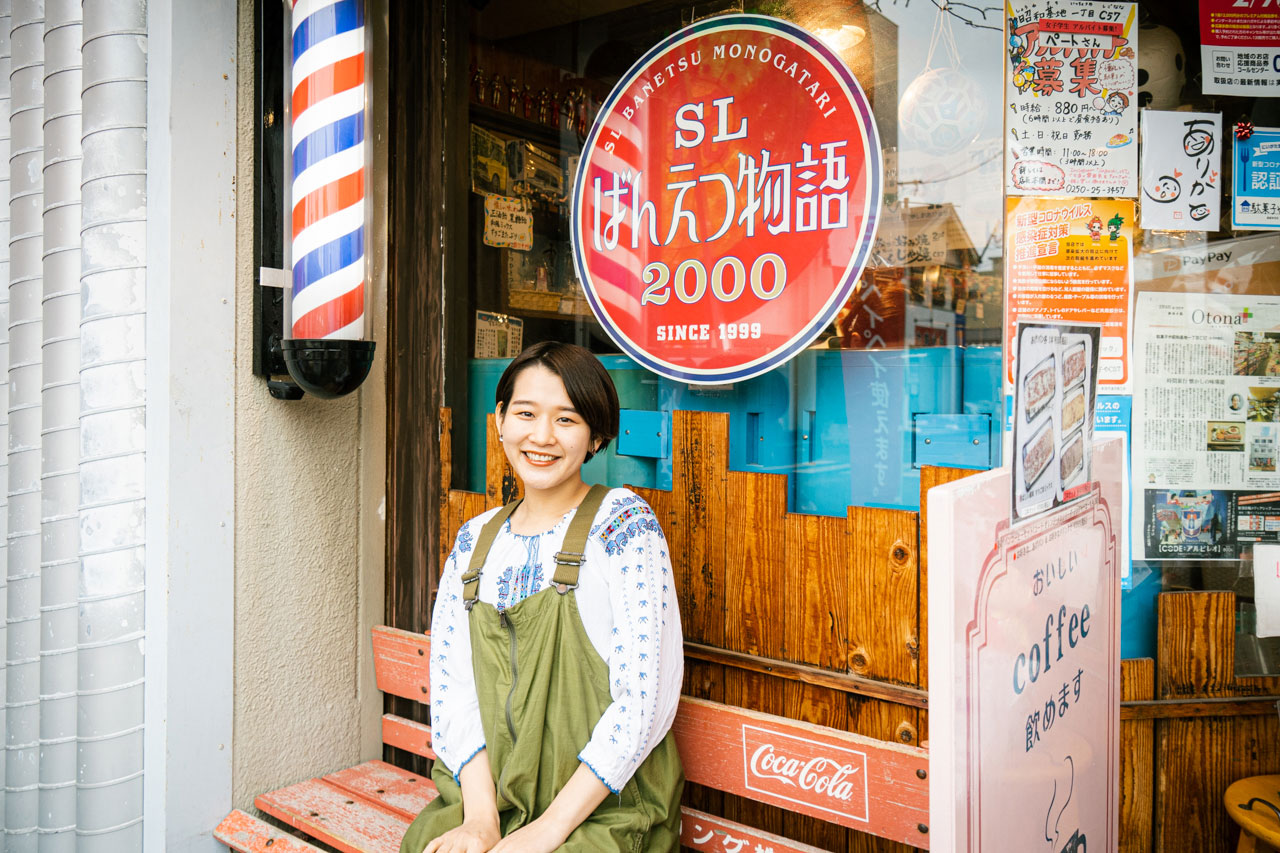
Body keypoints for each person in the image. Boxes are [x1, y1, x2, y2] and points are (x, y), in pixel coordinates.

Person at [401, 342, 684, 853]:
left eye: (567, 420)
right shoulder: (475, 539)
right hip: (492, 799)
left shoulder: (623, 524)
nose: (542, 436)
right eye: (526, 413)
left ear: (596, 434)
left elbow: (642, 703)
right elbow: (453, 690)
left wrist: (547, 832)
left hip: (602, 811)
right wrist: (482, 822)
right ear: (501, 419)